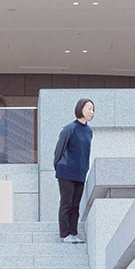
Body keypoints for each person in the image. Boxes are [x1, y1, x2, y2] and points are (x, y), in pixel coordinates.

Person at [51, 98, 95, 244]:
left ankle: (73, 233)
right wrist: (58, 165)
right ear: (80, 109)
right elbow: (59, 149)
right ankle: (65, 234)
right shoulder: (69, 128)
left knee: (76, 205)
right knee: (66, 203)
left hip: (80, 173)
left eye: (93, 109)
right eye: (89, 108)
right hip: (66, 172)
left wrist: (85, 169)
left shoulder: (89, 131)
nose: (91, 112)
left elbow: (86, 152)